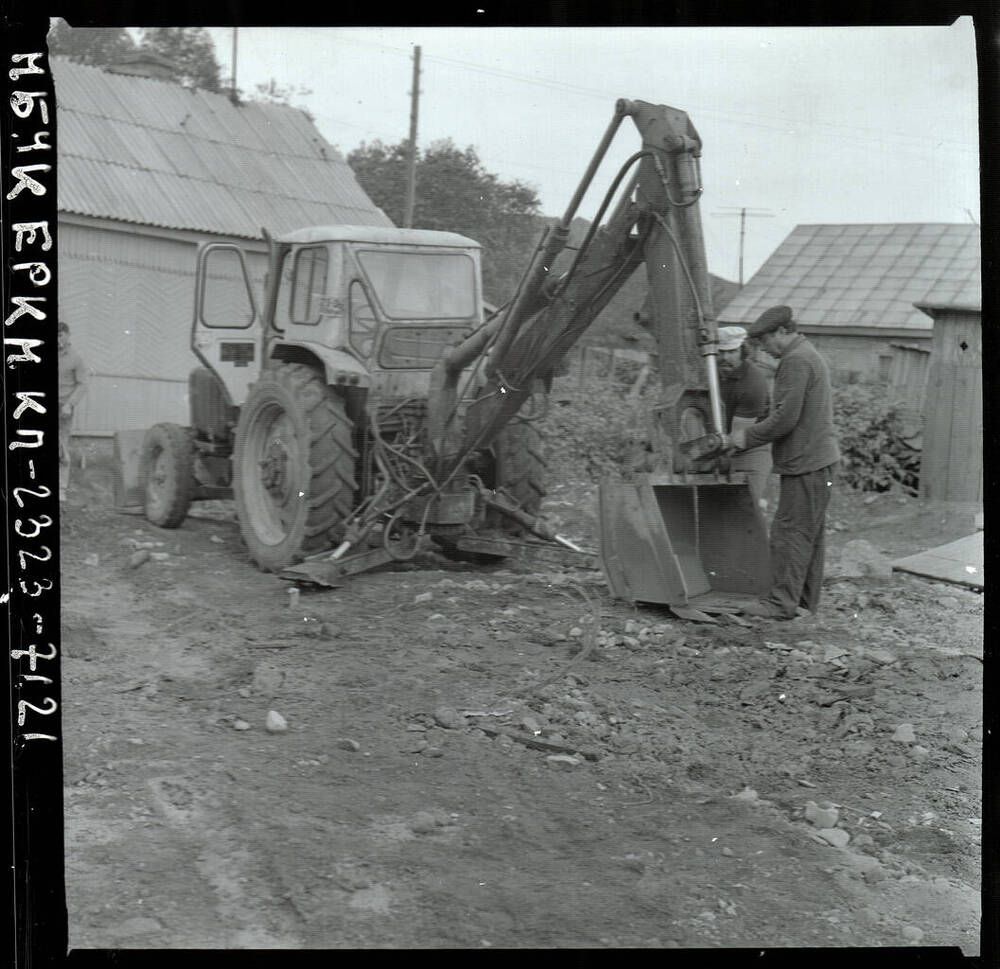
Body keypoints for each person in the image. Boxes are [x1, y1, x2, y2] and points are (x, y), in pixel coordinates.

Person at [728, 306, 840, 619]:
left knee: (789, 533)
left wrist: (743, 438)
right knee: (808, 535)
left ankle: (779, 605)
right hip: (818, 460)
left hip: (807, 461)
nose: (763, 347)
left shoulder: (795, 360)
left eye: (765, 339)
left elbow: (784, 419)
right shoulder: (805, 354)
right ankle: (802, 604)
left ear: (781, 332)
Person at [716, 325, 772, 512]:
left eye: (731, 352)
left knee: (747, 509)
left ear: (742, 350)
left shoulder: (753, 381)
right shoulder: (709, 374)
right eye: (720, 352)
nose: (725, 358)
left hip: (750, 447)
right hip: (718, 443)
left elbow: (738, 437)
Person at [58, 321, 90, 503]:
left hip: (64, 409)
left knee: (61, 449)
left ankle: (61, 488)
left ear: (68, 336)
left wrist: (70, 404)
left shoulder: (76, 358)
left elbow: (83, 384)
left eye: (60, 335)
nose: (57, 340)